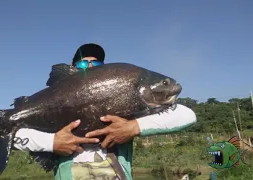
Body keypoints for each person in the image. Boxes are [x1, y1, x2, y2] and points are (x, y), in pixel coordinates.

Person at [13, 43, 197, 180]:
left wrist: (133, 127)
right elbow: (11, 135)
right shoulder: (51, 106)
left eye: (97, 63)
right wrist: (52, 142)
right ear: (72, 68)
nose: (90, 66)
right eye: (83, 64)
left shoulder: (131, 104)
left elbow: (187, 115)